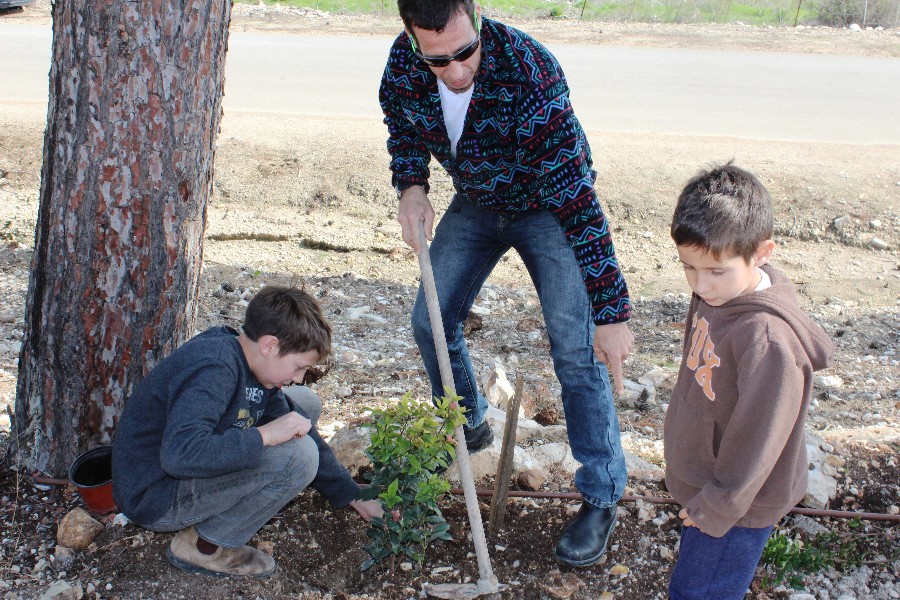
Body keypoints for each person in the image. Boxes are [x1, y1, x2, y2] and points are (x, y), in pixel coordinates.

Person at [379, 0, 633, 566]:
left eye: (465, 52)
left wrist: (611, 312)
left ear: (477, 13)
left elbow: (578, 200)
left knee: (576, 348)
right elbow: (403, 128)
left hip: (549, 209)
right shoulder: (403, 64)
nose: (456, 71)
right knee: (430, 321)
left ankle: (601, 494)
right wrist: (411, 185)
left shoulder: (530, 71)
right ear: (412, 38)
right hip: (476, 202)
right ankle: (468, 425)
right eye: (437, 60)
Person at [112, 285, 382, 578]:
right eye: (298, 367)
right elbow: (179, 455)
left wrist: (350, 493)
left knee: (305, 405)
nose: (298, 378)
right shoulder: (215, 367)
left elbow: (295, 420)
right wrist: (263, 437)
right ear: (269, 345)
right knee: (300, 457)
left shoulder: (250, 361)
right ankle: (207, 545)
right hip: (156, 495)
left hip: (180, 470)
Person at [665, 164, 835, 599]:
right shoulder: (716, 292)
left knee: (699, 592)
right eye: (688, 268)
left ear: (761, 252)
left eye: (716, 271)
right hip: (709, 486)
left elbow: (761, 436)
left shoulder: (768, 340)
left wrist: (717, 505)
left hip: (736, 506)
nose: (700, 285)